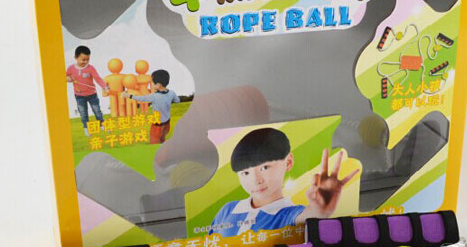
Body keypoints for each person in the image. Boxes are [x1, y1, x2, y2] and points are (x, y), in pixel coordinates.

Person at [210, 127, 359, 237]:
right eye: (245, 173)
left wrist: (320, 211)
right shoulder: (228, 210)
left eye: (264, 167)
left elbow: (306, 216)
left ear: (288, 162)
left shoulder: (289, 214)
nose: (255, 181)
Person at [126, 69, 180, 144]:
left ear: (158, 85)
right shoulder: (172, 93)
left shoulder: (154, 96)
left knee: (154, 141)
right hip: (167, 123)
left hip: (157, 125)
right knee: (162, 138)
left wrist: (129, 96)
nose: (150, 83)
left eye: (151, 82)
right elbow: (177, 100)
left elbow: (142, 98)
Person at [66, 46, 108, 134]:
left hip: (92, 95)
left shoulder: (90, 68)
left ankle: (102, 124)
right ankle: (86, 128)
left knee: (97, 111)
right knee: (83, 113)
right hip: (79, 96)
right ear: (76, 57)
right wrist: (69, 79)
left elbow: (98, 78)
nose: (85, 62)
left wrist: (104, 87)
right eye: (83, 59)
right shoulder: (71, 68)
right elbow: (66, 77)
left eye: (87, 59)